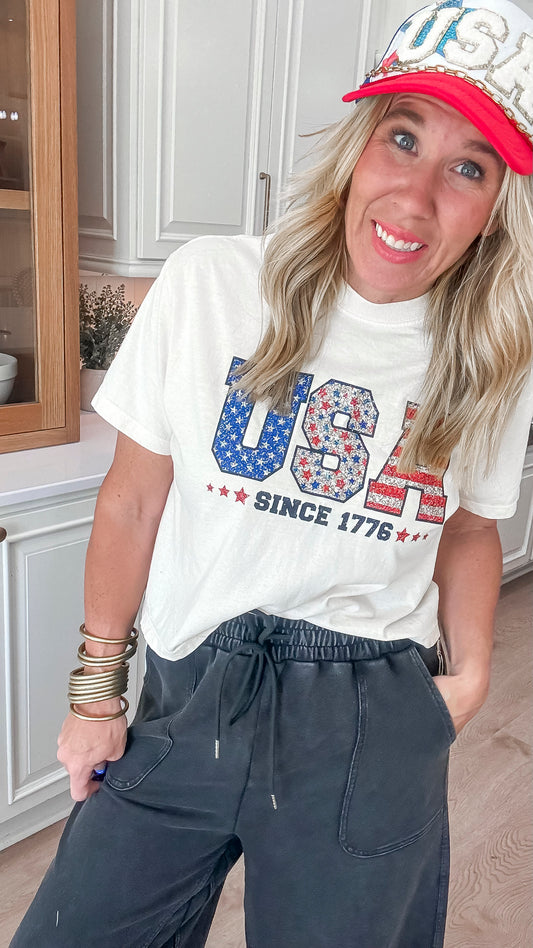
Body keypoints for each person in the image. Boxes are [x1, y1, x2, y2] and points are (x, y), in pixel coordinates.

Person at [12, 0, 533, 945]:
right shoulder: (211, 282)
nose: (415, 196)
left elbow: (467, 526)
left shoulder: (496, 351)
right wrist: (95, 694)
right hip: (186, 694)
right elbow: (132, 502)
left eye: (469, 167)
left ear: (501, 206)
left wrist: (468, 681)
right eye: (402, 137)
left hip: (369, 713)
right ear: (356, 146)